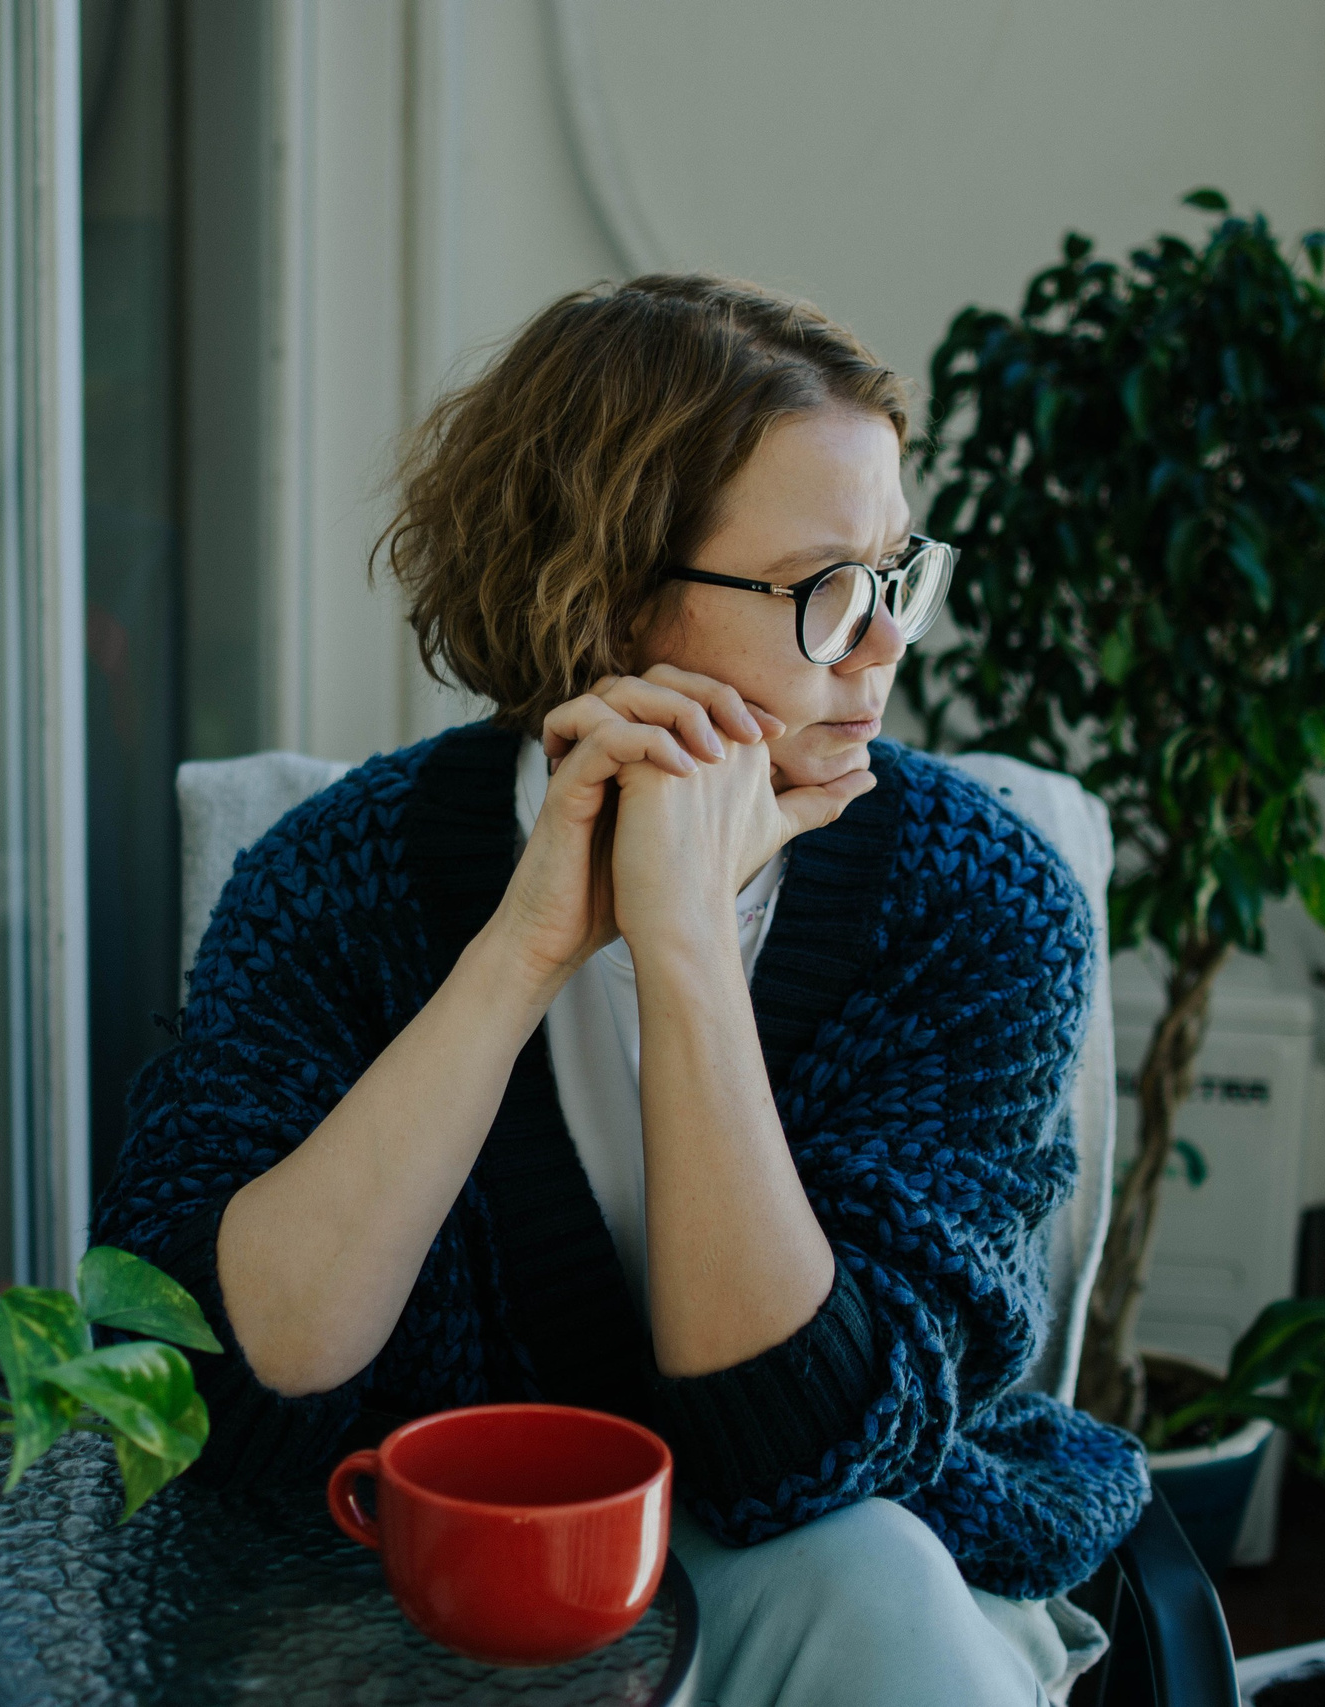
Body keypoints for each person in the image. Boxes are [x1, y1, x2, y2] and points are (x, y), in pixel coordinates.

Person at [92, 274, 1148, 1705]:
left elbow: (805, 1459)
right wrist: (519, 955)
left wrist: (686, 947)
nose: (891, 643)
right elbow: (236, 1371)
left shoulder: (978, 904)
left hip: (850, 1581)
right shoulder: (333, 879)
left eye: (899, 573)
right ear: (603, 589)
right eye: (828, 591)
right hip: (432, 1602)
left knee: (866, 1572)